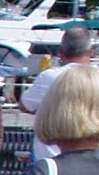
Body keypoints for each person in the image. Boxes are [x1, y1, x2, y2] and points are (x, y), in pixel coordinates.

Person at [19, 24, 93, 161]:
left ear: (61, 53)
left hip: (49, 158)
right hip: (91, 160)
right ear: (91, 51)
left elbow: (25, 106)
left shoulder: (49, 77)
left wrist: (51, 110)